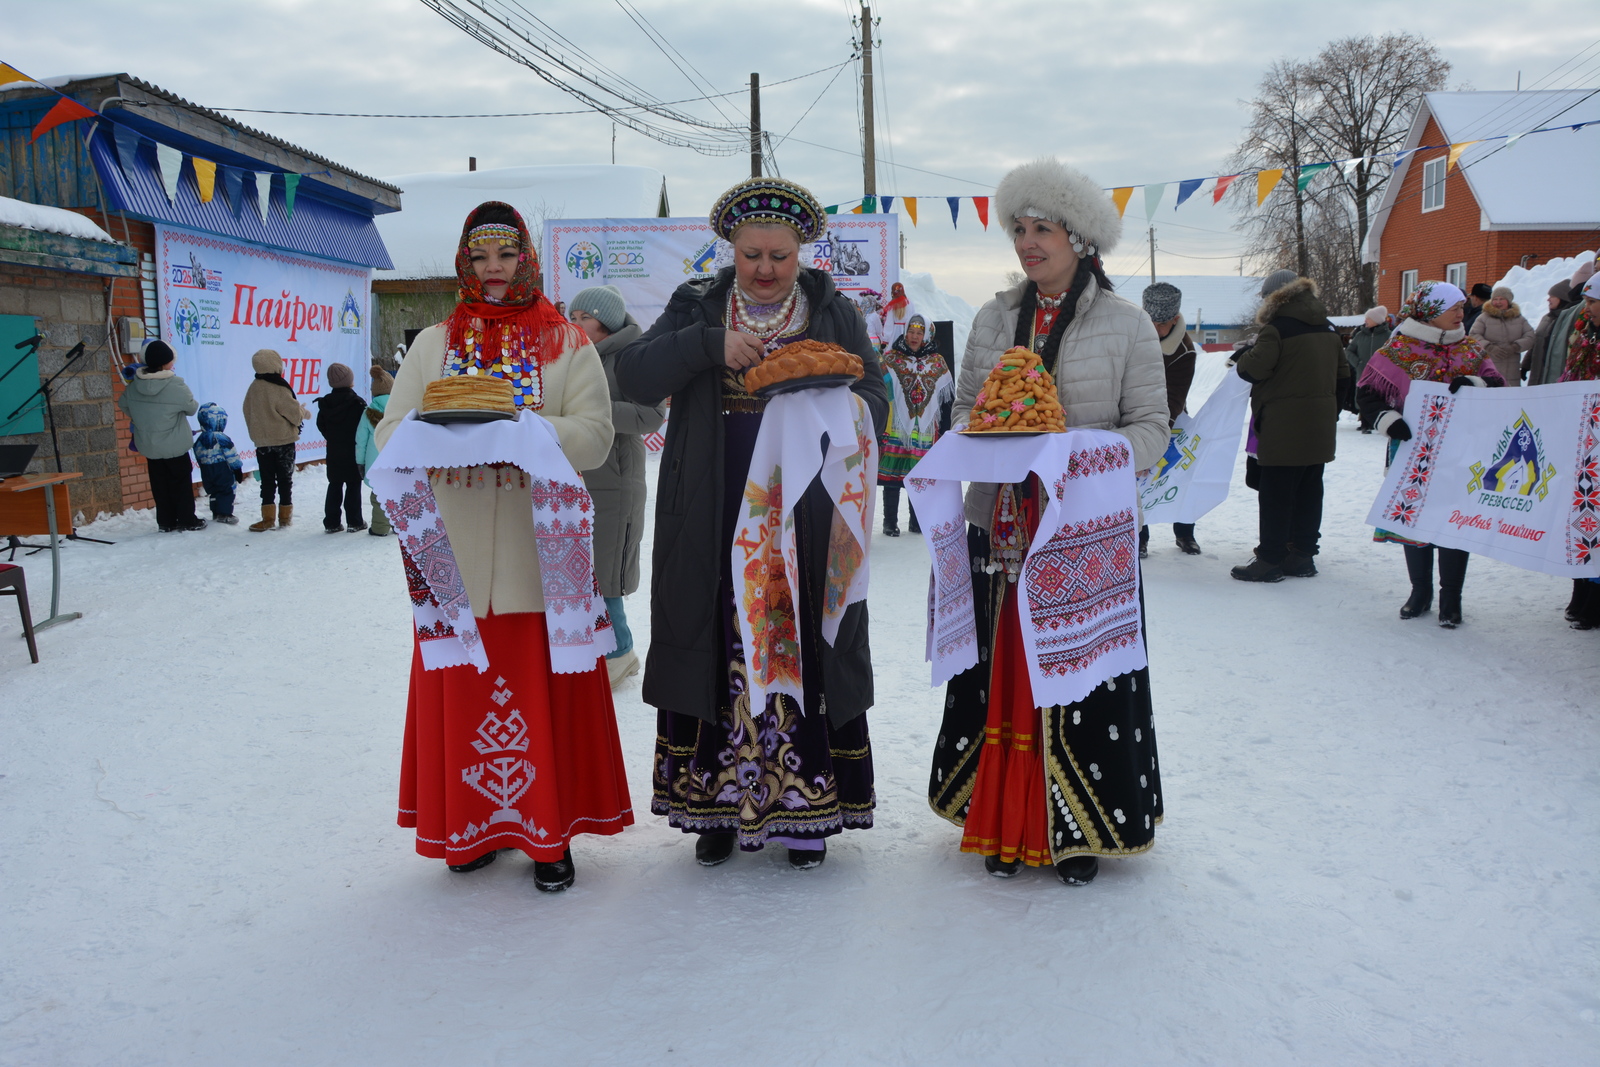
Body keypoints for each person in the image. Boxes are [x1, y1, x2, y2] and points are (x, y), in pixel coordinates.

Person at [615, 176, 887, 870]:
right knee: (718, 643)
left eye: (780, 256)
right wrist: (710, 344)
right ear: (730, 250)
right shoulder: (696, 304)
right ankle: (715, 806)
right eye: (751, 255)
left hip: (805, 513)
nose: (765, 269)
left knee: (798, 639)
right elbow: (637, 377)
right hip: (712, 509)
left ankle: (805, 810)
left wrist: (835, 407)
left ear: (802, 253)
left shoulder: (830, 309)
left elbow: (875, 395)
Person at [373, 201, 630, 892]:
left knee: (540, 697)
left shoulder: (565, 341)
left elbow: (596, 434)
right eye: (481, 256)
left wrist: (524, 429)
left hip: (538, 553)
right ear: (465, 261)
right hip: (451, 558)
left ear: (527, 258)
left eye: (506, 255)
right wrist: (436, 434)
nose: (493, 269)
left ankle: (550, 836)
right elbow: (388, 429)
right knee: (463, 698)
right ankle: (470, 830)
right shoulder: (433, 343)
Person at [931, 156, 1168, 886]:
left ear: (1081, 237)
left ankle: (1082, 826)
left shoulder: (1128, 326)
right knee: (1004, 672)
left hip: (1085, 534)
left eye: (1043, 229)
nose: (1028, 243)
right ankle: (1001, 818)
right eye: (1019, 229)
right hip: (1001, 527)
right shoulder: (995, 318)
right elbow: (966, 408)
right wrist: (994, 429)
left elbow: (1153, 432)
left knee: (1081, 678)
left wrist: (1077, 453)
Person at [1357, 280, 1505, 627]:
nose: (1460, 312)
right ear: (1430, 312)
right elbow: (1365, 394)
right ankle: (1420, 591)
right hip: (1412, 452)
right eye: (1452, 308)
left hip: (1461, 453)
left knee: (1454, 521)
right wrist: (1389, 420)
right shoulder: (1396, 351)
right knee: (1416, 519)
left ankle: (1452, 598)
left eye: (1459, 307)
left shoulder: (1470, 350)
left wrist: (1476, 384)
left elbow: (1499, 387)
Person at [566, 283, 666, 689]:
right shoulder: (573, 356)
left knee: (605, 572)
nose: (575, 325)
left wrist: (594, 411)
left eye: (583, 318)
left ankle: (619, 652)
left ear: (605, 322)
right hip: (577, 479)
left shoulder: (632, 357)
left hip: (615, 483)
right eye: (571, 317)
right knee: (580, 569)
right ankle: (601, 650)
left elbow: (650, 416)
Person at [1229, 270, 1348, 582]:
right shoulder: (1328, 326)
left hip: (1282, 427)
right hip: (1319, 426)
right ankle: (1303, 556)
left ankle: (1269, 559)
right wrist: (1329, 413)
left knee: (1275, 494)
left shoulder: (1277, 329)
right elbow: (1344, 374)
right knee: (1310, 489)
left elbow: (1253, 369)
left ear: (1275, 296)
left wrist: (1243, 356)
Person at [1140, 281, 1201, 555]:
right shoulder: (1134, 333)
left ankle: (1185, 533)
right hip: (1135, 417)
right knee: (1137, 482)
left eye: (1161, 323)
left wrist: (1156, 440)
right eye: (1149, 320)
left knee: (1179, 476)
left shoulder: (1184, 351)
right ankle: (1139, 537)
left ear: (1174, 319)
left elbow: (1174, 398)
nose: (1154, 328)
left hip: (1170, 419)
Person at [878, 313, 953, 536]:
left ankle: (916, 520)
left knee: (918, 474)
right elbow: (881, 383)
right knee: (893, 474)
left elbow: (945, 396)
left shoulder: (936, 362)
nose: (914, 336)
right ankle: (889, 521)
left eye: (920, 333)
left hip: (924, 426)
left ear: (927, 336)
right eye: (911, 331)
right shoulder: (891, 358)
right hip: (897, 424)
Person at [118, 340, 204, 532]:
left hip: (149, 445)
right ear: (167, 362)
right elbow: (191, 408)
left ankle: (166, 522)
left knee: (159, 484)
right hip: (175, 444)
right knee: (180, 483)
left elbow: (124, 405)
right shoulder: (175, 384)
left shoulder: (134, 386)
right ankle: (187, 520)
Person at [1558, 276, 1600, 630]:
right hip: (1584, 439)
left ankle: (1595, 598)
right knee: (1582, 515)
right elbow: (1570, 375)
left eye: (1593, 302)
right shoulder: (1586, 334)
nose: (1586, 309)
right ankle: (1581, 588)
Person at [242, 348, 309, 531]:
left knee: (267, 481)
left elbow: (247, 411)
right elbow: (294, 414)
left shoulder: (253, 388)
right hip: (284, 441)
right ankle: (285, 517)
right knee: (285, 480)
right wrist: (302, 412)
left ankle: (268, 518)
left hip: (263, 443)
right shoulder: (279, 387)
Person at [314, 363, 367, 533]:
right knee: (353, 485)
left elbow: (320, 424)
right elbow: (363, 426)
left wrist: (332, 437)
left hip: (334, 450)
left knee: (334, 485)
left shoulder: (325, 404)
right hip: (353, 450)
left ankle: (331, 522)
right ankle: (355, 521)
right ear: (350, 381)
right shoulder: (357, 403)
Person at [1533, 260, 1596, 387]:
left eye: (1592, 301)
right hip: (1553, 381)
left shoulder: (1575, 314)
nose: (1587, 307)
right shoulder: (1555, 316)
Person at [355, 364, 394, 536]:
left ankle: (379, 528)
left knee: (379, 496)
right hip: (399, 460)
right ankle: (400, 526)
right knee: (399, 493)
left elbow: (361, 441)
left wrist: (360, 462)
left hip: (376, 461)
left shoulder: (368, 412)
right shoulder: (401, 409)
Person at [1468, 286, 1534, 386]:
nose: (1498, 302)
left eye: (1502, 299)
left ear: (1509, 301)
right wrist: (1489, 347)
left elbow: (1530, 336)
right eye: (1495, 299)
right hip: (1489, 367)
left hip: (1512, 372)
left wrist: (1515, 347)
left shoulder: (1519, 319)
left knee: (1510, 398)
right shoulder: (1483, 318)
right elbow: (1473, 335)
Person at [192, 402, 244, 525]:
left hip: (206, 468)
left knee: (214, 490)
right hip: (222, 467)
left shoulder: (200, 439)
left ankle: (216, 511)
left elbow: (198, 454)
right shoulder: (221, 437)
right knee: (226, 489)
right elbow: (231, 454)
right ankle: (225, 514)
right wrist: (237, 468)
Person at [1343, 306, 1391, 430]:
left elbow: (1393, 354)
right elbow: (1349, 351)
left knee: (1379, 395)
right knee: (1362, 396)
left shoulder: (1388, 336)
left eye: (1368, 318)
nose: (1366, 321)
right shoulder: (1360, 335)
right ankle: (1364, 421)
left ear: (1377, 320)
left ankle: (1378, 421)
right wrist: (1358, 363)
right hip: (1362, 371)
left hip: (1381, 374)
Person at [879, 281, 917, 352]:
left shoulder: (892, 305)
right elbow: (913, 318)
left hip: (895, 332)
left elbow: (889, 323)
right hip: (907, 331)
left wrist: (885, 340)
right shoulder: (910, 303)